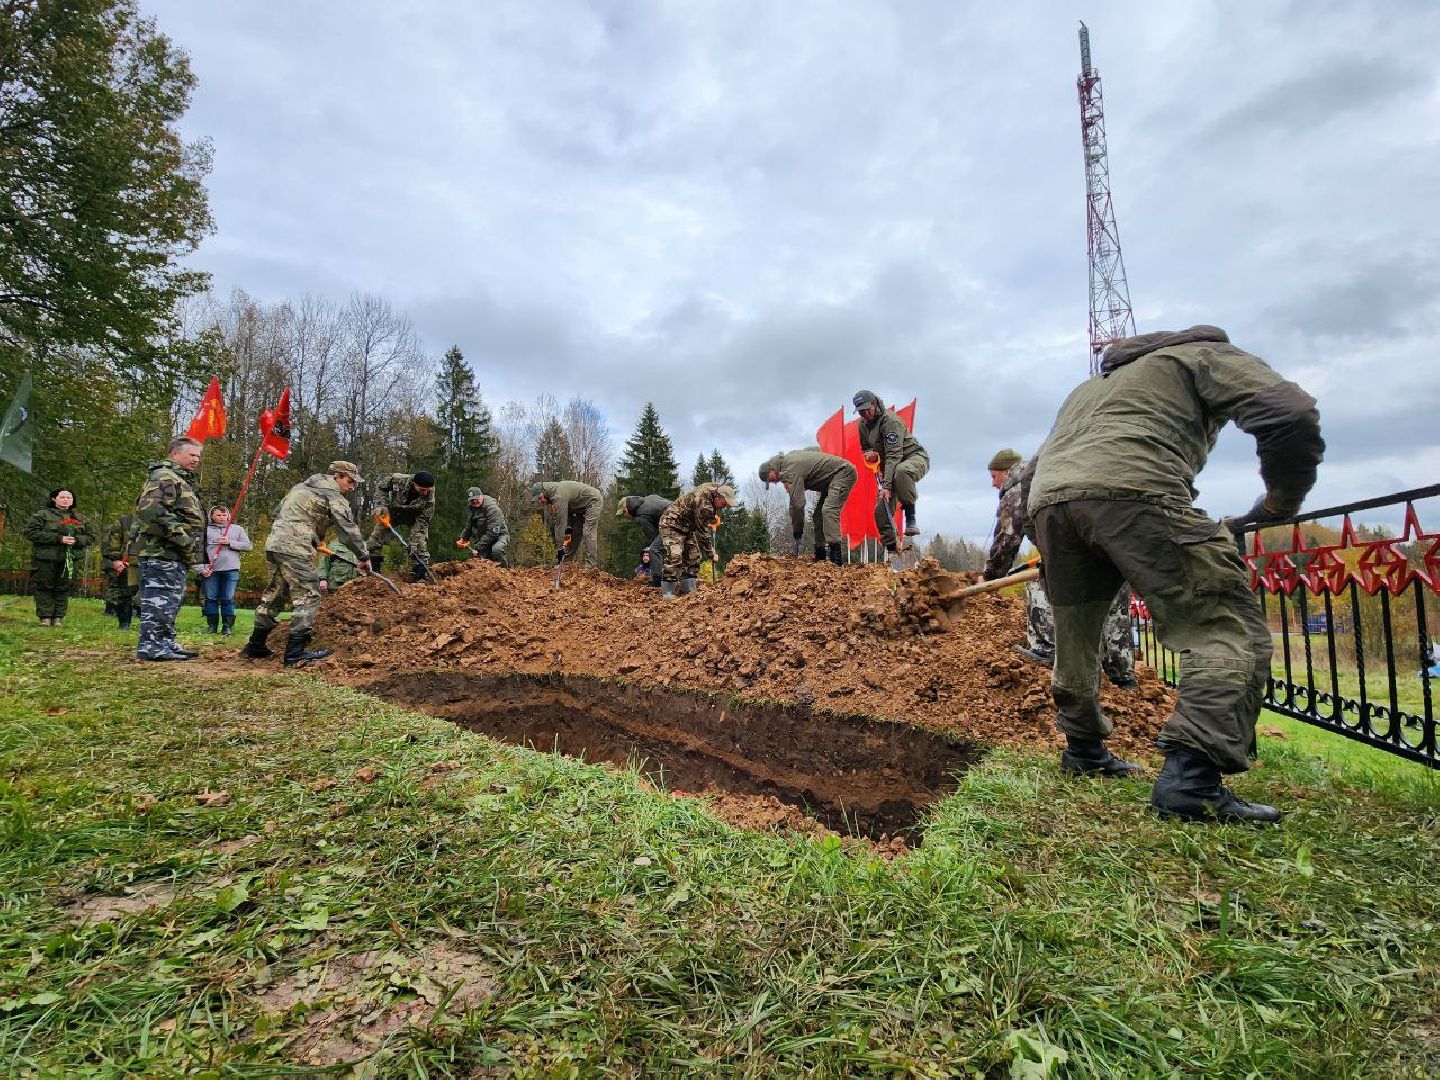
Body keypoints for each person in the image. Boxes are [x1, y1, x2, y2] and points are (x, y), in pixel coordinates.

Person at [1028, 325, 1324, 824]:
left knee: (1075, 635)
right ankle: (1192, 779)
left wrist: (1043, 528)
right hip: (1134, 489)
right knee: (1223, 627)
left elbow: (1040, 465)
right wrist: (1281, 502)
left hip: (1052, 505)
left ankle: (1083, 749)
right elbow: (1288, 412)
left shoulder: (1090, 388)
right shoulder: (1201, 355)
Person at [984, 449, 1137, 689]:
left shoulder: (1020, 487)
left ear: (1007, 471)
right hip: (1113, 545)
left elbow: (1007, 539)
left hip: (1072, 555)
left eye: (994, 476)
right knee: (1113, 605)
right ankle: (1122, 674)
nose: (994, 484)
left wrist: (989, 578)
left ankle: (1047, 648)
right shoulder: (1057, 474)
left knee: (1038, 583)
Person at [242, 461, 372, 666]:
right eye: (350, 481)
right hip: (295, 548)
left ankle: (255, 645)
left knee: (276, 593)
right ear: (337, 476)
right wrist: (363, 557)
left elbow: (278, 513)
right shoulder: (333, 495)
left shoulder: (300, 488)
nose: (352, 486)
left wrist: (312, 535)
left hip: (275, 543)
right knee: (309, 594)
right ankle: (295, 653)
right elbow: (348, 530)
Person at [133, 437, 206, 661]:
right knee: (158, 600)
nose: (196, 459)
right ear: (175, 454)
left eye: (198, 456)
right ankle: (152, 647)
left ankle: (165, 642)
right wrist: (183, 539)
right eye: (191, 455)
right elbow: (152, 511)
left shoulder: (178, 479)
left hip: (173, 554)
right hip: (161, 551)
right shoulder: (164, 476)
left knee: (170, 600)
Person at [853, 390, 929, 552]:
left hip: (912, 458)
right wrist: (870, 454)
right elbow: (865, 447)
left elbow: (894, 455)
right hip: (889, 467)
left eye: (867, 409)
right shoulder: (862, 424)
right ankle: (894, 552)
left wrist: (887, 486)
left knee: (902, 471)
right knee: (881, 511)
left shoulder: (890, 421)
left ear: (875, 404)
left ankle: (910, 518)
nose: (865, 414)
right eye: (861, 411)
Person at [758, 449, 856, 565]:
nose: (774, 482)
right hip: (831, 479)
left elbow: (797, 505)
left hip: (843, 473)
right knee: (818, 516)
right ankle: (820, 555)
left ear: (771, 470)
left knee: (829, 510)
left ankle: (836, 558)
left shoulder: (790, 470)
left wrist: (798, 531)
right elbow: (794, 502)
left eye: (771, 479)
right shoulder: (786, 463)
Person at [23, 489, 96, 626]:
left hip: (70, 559)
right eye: (62, 497)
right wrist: (58, 538)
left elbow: (90, 537)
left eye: (69, 497)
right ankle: (45, 617)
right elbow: (31, 533)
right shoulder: (42, 515)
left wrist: (77, 540)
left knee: (64, 587)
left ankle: (58, 617)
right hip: (45, 558)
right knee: (44, 586)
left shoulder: (81, 518)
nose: (66, 500)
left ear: (73, 500)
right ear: (54, 499)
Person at [658, 483, 733, 597]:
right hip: (672, 524)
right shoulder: (703, 504)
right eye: (724, 503)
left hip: (687, 526)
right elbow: (702, 533)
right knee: (675, 557)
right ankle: (668, 593)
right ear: (718, 496)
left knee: (694, 556)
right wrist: (711, 553)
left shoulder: (714, 489)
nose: (724, 506)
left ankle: (688, 590)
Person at [365, 470, 434, 580]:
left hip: (415, 517)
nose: (425, 493)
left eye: (427, 490)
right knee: (375, 539)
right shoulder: (398, 480)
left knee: (419, 544)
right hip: (393, 513)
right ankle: (374, 572)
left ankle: (420, 575)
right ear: (414, 484)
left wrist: (414, 542)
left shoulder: (429, 495)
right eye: (422, 489)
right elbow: (381, 488)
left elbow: (424, 520)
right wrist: (381, 505)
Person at [195, 505, 252, 635]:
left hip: (231, 569)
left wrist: (230, 542)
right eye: (218, 515)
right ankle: (212, 626)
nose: (222, 518)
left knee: (228, 597)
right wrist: (201, 569)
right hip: (210, 570)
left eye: (224, 515)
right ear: (212, 516)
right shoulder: (205, 531)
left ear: (228, 516)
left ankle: (227, 627)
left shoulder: (237, 529)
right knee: (211, 598)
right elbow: (197, 551)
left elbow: (248, 546)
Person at [531, 480, 602, 567]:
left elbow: (560, 524)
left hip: (592, 501)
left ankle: (591, 565)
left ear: (544, 492)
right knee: (574, 532)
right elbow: (567, 527)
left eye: (539, 498)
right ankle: (565, 562)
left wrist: (560, 548)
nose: (540, 501)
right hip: (576, 507)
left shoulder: (558, 496)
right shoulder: (553, 495)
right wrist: (565, 541)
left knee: (588, 532)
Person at [617, 493, 672, 587]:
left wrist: (650, 551)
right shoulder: (649, 498)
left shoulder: (641, 515)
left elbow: (652, 536)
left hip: (673, 521)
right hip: (682, 513)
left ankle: (657, 584)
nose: (625, 516)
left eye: (623, 514)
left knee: (654, 549)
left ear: (626, 509)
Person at [101, 512, 142, 629]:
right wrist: (116, 559)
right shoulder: (125, 521)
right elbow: (114, 540)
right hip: (128, 561)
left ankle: (149, 624)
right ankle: (124, 623)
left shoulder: (160, 520)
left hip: (153, 561)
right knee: (125, 593)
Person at [457, 486, 510, 565]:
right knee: (479, 561)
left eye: (476, 499)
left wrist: (478, 547)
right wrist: (463, 538)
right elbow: (469, 525)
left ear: (481, 496)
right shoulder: (472, 508)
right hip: (483, 538)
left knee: (497, 550)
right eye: (472, 500)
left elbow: (493, 532)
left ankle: (504, 569)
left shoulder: (492, 509)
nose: (474, 501)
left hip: (499, 536)